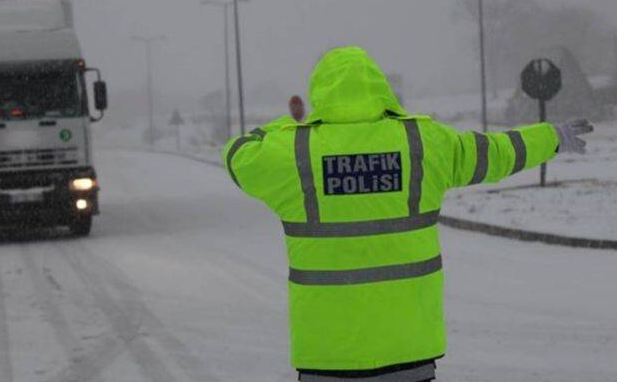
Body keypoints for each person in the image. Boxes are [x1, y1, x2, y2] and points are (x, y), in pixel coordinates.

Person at [222, 46, 593, 381]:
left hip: (327, 356)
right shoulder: (421, 142)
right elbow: (494, 152)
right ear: (380, 88)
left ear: (322, 92)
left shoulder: (295, 151)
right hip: (409, 351)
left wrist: (293, 125)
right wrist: (552, 136)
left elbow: (238, 153)